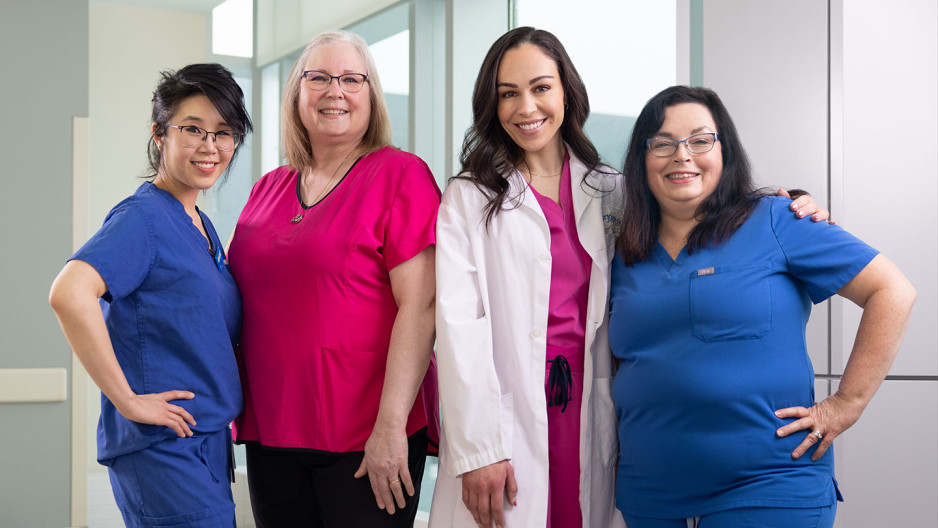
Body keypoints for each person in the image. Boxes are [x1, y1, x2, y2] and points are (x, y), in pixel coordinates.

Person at [430, 28, 828, 528]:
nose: (525, 107)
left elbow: (697, 207)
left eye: (540, 87)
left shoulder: (610, 189)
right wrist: (478, 448)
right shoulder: (470, 197)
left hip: (592, 407)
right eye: (507, 93)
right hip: (506, 412)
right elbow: (459, 325)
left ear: (567, 92)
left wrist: (785, 200)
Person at [608, 85, 916, 528]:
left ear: (725, 150)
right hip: (649, 495)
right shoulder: (621, 251)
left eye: (700, 140)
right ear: (641, 160)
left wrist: (847, 403)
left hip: (767, 487)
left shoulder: (777, 219)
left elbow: (892, 290)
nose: (682, 155)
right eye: (662, 143)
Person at [227, 30, 440, 527]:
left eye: (351, 78)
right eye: (318, 77)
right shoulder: (267, 189)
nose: (334, 91)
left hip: (366, 438)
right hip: (271, 432)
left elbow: (422, 306)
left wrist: (390, 426)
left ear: (371, 94)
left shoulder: (401, 175)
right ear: (297, 94)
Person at [49, 63, 252, 527]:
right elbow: (69, 293)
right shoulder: (143, 218)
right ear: (160, 135)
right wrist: (127, 400)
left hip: (205, 444)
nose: (209, 146)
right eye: (193, 129)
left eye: (223, 133)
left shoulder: (201, 225)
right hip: (164, 449)